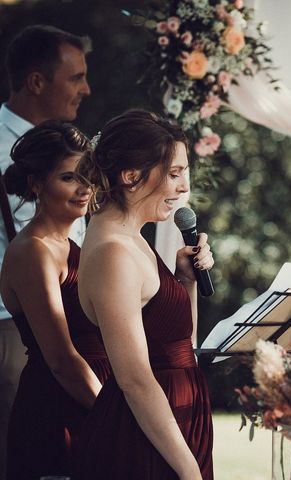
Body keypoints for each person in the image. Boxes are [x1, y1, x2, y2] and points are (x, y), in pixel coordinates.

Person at [74, 110, 214, 480]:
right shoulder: (112, 253)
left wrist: (186, 282)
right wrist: (189, 471)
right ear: (131, 175)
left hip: (175, 420)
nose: (184, 187)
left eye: (184, 172)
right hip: (145, 439)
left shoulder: (133, 236)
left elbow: (179, 343)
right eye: (173, 174)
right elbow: (134, 379)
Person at [0, 25, 91, 477]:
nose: (86, 89)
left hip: (79, 324)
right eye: (75, 77)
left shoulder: (72, 150)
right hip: (17, 330)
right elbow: (56, 357)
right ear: (37, 81)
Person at [0, 122, 111, 479]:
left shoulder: (71, 244)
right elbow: (62, 360)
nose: (84, 189)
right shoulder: (32, 252)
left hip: (88, 400)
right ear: (36, 184)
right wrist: (117, 419)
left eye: (87, 176)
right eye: (69, 178)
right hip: (55, 413)